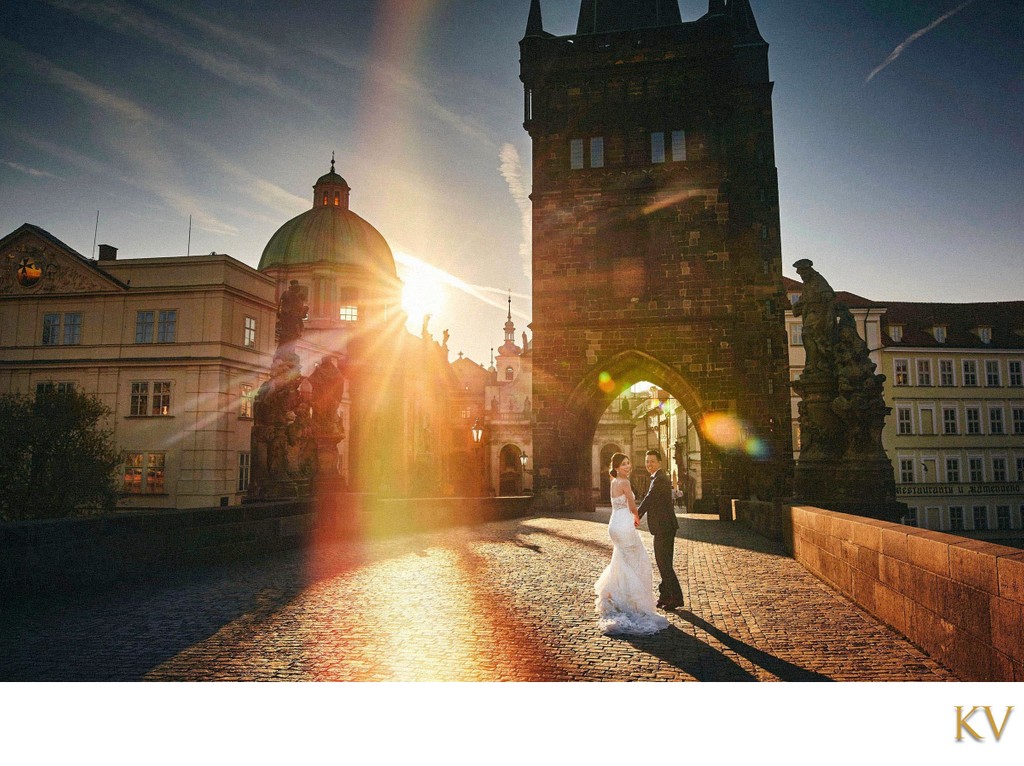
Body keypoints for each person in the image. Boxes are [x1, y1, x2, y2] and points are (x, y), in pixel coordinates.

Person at [594, 453, 669, 635]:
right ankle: (633, 602)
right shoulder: (624, 482)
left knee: (621, 561)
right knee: (638, 561)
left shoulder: (613, 481)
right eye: (624, 464)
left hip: (614, 525)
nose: (628, 467)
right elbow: (632, 505)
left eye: (629, 463)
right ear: (617, 467)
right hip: (625, 525)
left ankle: (618, 597)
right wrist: (636, 518)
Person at [637, 448, 684, 609]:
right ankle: (665, 595)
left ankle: (675, 598)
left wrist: (636, 515)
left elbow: (649, 499)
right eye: (647, 461)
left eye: (652, 461)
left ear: (659, 463)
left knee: (663, 563)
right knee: (664, 562)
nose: (649, 464)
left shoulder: (660, 479)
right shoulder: (658, 478)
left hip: (664, 526)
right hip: (665, 526)